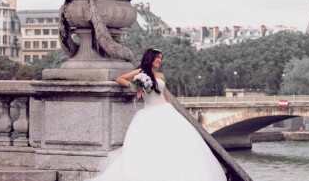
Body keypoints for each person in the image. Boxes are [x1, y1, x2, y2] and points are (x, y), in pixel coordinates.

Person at [87, 48, 227, 181]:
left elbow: (166, 97)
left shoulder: (161, 76)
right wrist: (135, 86)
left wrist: (174, 113)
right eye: (157, 57)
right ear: (150, 58)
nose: (160, 60)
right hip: (148, 113)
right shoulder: (141, 72)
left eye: (161, 58)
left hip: (165, 111)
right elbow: (120, 79)